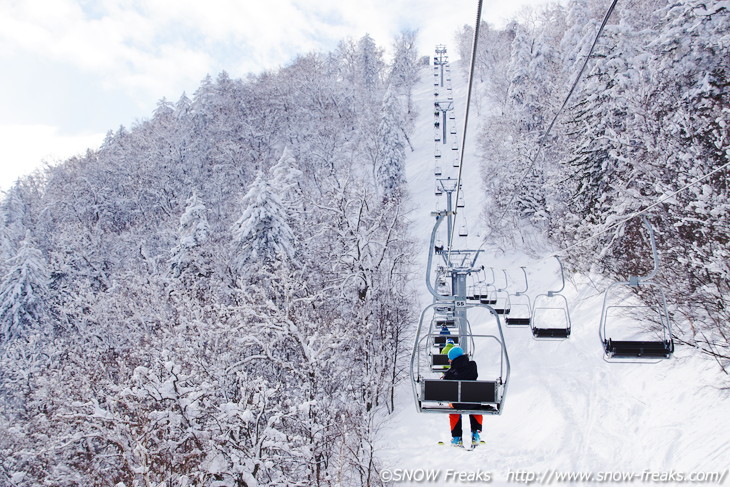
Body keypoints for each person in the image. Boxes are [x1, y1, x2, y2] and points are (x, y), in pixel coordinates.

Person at [443, 346, 482, 447]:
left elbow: (445, 384)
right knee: (476, 407)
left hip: (458, 404)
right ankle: (475, 434)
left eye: (450, 358)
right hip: (473, 402)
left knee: (453, 409)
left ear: (454, 358)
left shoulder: (450, 373)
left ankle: (457, 438)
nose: (449, 360)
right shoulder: (473, 366)